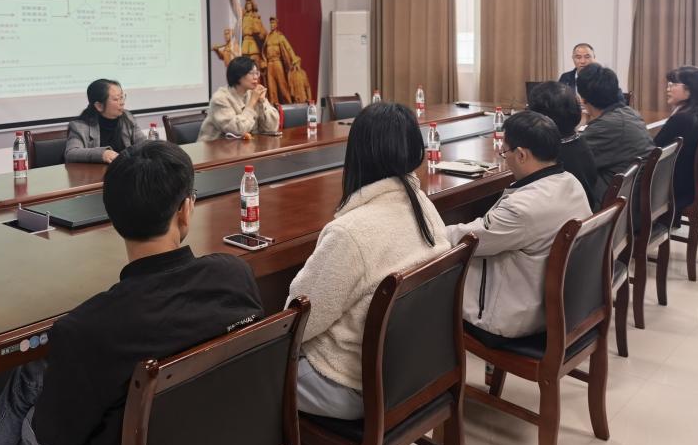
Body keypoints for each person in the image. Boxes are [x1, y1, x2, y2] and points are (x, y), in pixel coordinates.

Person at [0, 141, 263, 445]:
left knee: (30, 376)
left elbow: (51, 439)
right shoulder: (235, 274)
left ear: (111, 216)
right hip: (227, 434)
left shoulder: (86, 330)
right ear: (186, 209)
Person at [286, 103, 451, 419]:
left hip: (355, 386)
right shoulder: (422, 203)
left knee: (249, 374)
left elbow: (297, 322)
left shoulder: (349, 233)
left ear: (357, 154)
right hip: (417, 368)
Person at [445, 111, 591, 342]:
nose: (505, 158)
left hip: (513, 319)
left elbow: (467, 240)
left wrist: (431, 228)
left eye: (505, 152)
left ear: (522, 154)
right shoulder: (572, 183)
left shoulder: (521, 209)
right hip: (564, 307)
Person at [577, 64, 654, 208]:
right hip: (636, 198)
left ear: (583, 98)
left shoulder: (606, 126)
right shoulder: (630, 113)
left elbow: (573, 163)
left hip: (617, 207)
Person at [654, 66, 698, 219]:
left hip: (677, 190)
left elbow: (654, 150)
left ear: (690, 89)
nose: (668, 89)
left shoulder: (683, 119)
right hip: (692, 184)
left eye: (673, 84)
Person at [528, 81, 599, 208]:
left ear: (542, 119)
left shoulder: (550, 158)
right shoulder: (579, 141)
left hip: (562, 217)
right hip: (584, 212)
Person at [198, 56, 280, 141]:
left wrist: (262, 102)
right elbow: (237, 130)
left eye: (257, 73)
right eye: (251, 73)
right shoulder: (220, 99)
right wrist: (251, 103)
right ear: (238, 75)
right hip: (215, 146)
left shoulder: (252, 94)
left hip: (243, 146)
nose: (256, 77)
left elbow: (272, 128)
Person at [64, 79, 146, 165]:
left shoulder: (127, 117)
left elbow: (143, 143)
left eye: (122, 97)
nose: (122, 103)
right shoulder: (80, 126)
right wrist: (102, 154)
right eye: (116, 99)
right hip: (96, 172)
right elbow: (71, 153)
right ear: (99, 106)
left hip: (125, 170)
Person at [559, 42, 625, 106]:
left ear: (594, 58)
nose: (582, 61)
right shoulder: (565, 77)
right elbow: (558, 101)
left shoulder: (603, 76)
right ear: (573, 58)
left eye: (587, 57)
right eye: (578, 57)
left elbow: (620, 101)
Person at [262, 16, 297, 104]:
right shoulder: (268, 37)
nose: (272, 25)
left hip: (278, 62)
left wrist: (294, 59)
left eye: (273, 23)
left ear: (277, 24)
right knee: (271, 87)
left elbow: (288, 48)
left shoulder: (280, 36)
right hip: (270, 64)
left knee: (282, 85)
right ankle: (274, 106)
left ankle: (289, 103)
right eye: (271, 23)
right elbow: (264, 50)